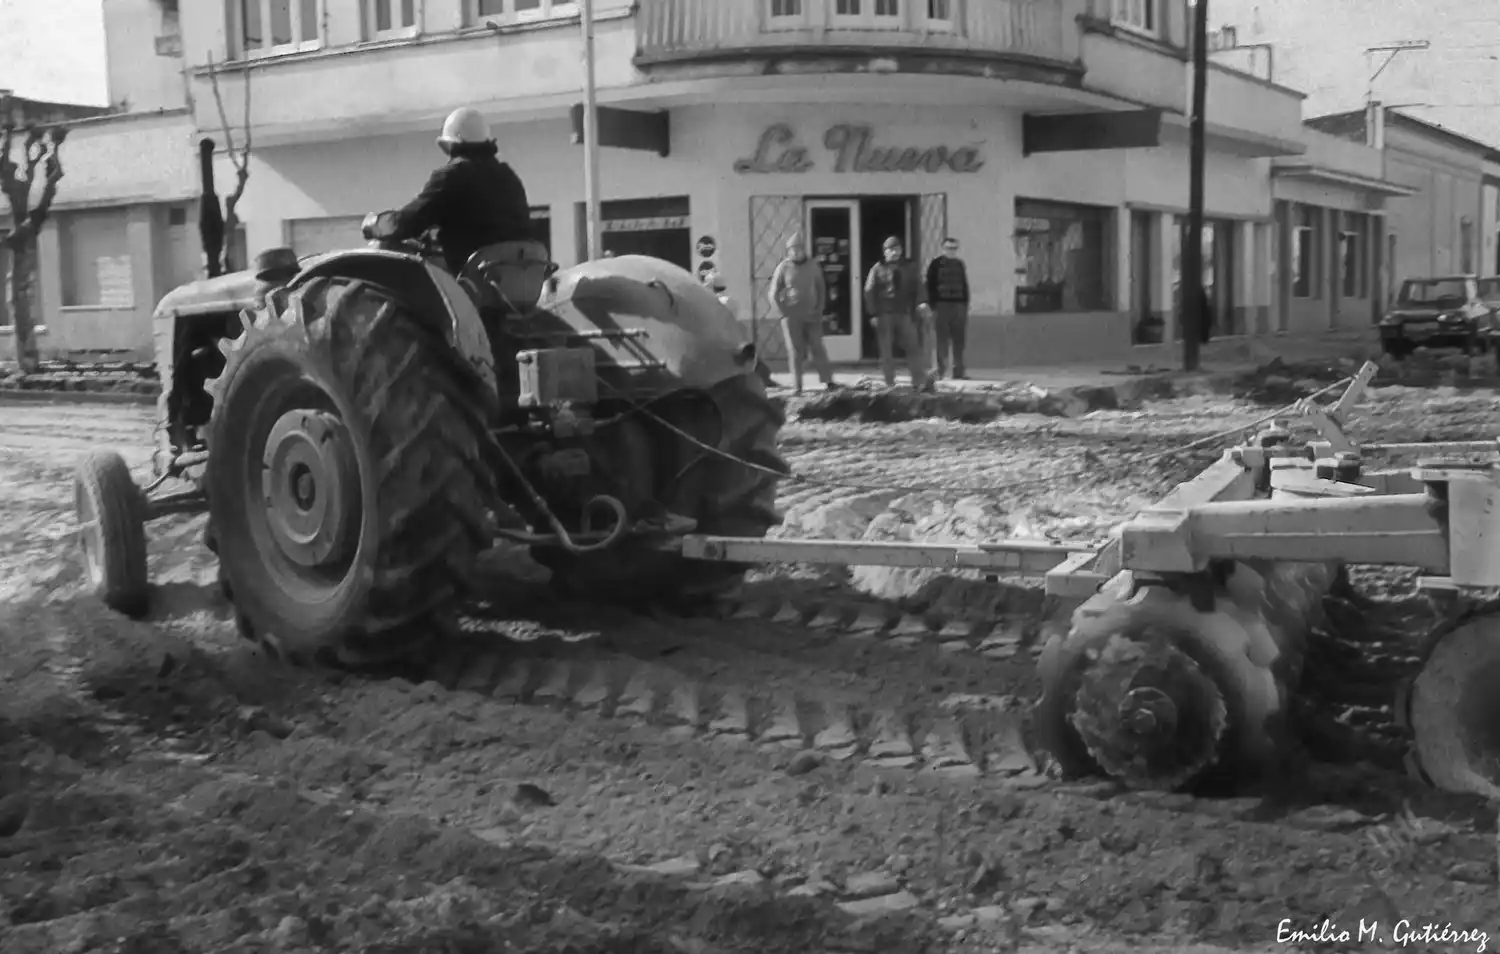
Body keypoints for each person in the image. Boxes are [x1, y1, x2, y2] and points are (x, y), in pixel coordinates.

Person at [374, 107, 533, 276]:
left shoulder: (451, 176)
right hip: (521, 279)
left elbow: (409, 222)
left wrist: (377, 226)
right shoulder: (509, 176)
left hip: (478, 279)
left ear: (449, 145)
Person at [769, 234, 837, 394]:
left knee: (818, 347)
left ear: (804, 250)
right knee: (795, 351)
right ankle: (797, 386)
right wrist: (782, 312)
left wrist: (819, 309)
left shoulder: (813, 266)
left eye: (798, 249)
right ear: (788, 251)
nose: (796, 252)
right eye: (792, 249)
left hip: (811, 316)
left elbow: (821, 289)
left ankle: (828, 381)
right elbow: (773, 293)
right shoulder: (783, 267)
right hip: (791, 317)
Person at [864, 235, 931, 391]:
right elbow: (869, 291)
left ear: (901, 250)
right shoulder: (877, 268)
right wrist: (872, 313)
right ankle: (889, 383)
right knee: (886, 350)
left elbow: (919, 286)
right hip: (884, 315)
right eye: (891, 250)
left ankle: (918, 381)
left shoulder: (910, 267)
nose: (894, 252)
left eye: (897, 249)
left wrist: (922, 302)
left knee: (913, 346)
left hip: (903, 313)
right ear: (885, 252)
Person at [924, 236, 971, 380]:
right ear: (943, 249)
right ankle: (940, 371)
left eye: (954, 248)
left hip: (958, 306)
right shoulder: (936, 264)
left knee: (959, 340)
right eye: (949, 248)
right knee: (941, 339)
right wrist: (932, 305)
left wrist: (965, 303)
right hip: (941, 305)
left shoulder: (959, 264)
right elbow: (929, 285)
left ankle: (958, 372)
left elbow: (964, 284)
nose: (952, 251)